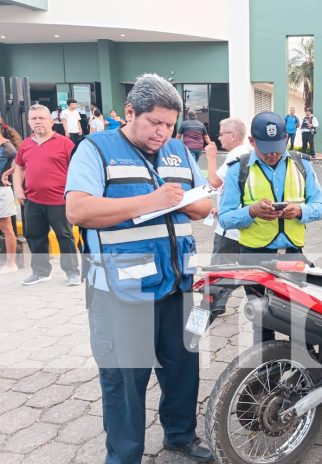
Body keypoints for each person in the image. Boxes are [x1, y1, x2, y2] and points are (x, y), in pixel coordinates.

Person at [65, 73, 214, 464]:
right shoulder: (95, 149)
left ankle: (181, 436)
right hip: (119, 293)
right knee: (125, 382)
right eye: (155, 123)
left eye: (169, 124)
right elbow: (79, 209)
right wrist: (152, 200)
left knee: (183, 369)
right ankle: (125, 456)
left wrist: (178, 201)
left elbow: (203, 206)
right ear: (130, 112)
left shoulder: (180, 152)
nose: (163, 132)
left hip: (177, 285)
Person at [217, 111, 322, 427]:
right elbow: (225, 217)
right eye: (265, 145)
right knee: (263, 330)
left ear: (287, 138)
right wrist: (250, 212)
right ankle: (262, 397)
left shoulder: (301, 164)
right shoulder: (238, 170)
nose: (273, 152)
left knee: (305, 329)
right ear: (252, 141)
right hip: (255, 260)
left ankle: (314, 399)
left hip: (293, 257)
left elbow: (320, 206)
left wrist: (301, 210)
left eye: (278, 143)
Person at [13, 104, 80, 286]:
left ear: (51, 121)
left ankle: (72, 272)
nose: (38, 122)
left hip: (59, 200)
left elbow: (77, 169)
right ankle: (41, 272)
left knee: (64, 236)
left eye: (41, 118)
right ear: (28, 122)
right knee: (35, 236)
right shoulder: (26, 144)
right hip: (32, 200)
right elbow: (19, 167)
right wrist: (18, 188)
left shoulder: (65, 143)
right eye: (33, 118)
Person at [204, 117, 247, 264]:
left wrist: (211, 156)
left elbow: (214, 181)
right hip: (242, 224)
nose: (219, 137)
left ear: (233, 135)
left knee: (218, 278)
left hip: (229, 230)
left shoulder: (236, 155)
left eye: (222, 134)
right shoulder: (247, 154)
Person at [0, 126, 18, 274]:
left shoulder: (7, 147)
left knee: (6, 228)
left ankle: (11, 263)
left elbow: (20, 163)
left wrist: (7, 175)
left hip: (2, 191)